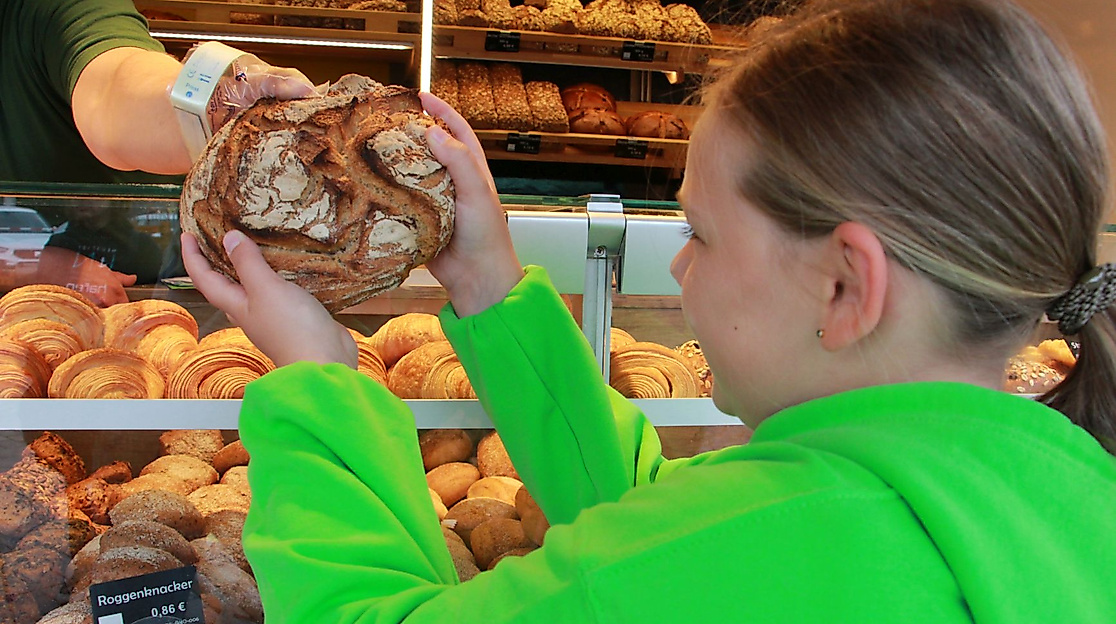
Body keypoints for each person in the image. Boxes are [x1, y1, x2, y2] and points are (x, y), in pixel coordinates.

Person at [182, 0, 1116, 621]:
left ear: (845, 286)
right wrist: (489, 287)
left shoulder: (778, 541)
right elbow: (660, 526)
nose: (679, 266)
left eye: (701, 234)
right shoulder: (1060, 496)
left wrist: (317, 387)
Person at [1, 0, 317, 303]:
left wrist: (213, 105)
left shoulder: (38, 9)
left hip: (154, 287)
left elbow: (114, 84)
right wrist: (27, 265)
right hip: (40, 309)